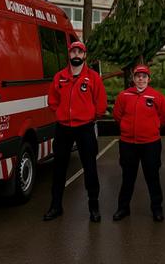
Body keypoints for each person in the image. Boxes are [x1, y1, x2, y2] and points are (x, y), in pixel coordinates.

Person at [43, 41, 107, 223]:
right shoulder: (60, 77)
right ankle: (56, 206)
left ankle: (93, 207)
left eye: (80, 52)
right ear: (69, 55)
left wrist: (90, 116)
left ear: (85, 55)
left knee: (90, 168)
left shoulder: (93, 77)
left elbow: (101, 103)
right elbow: (52, 100)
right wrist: (61, 113)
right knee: (59, 168)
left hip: (85, 128)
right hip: (63, 128)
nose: (76, 55)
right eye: (73, 52)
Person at [112, 64, 165, 222]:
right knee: (127, 177)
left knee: (152, 177)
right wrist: (126, 127)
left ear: (149, 79)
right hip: (128, 143)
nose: (141, 79)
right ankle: (123, 208)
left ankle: (157, 209)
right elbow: (117, 115)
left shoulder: (157, 96)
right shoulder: (124, 96)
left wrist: (153, 127)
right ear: (133, 78)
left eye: (144, 76)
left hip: (150, 144)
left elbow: (164, 116)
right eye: (138, 76)